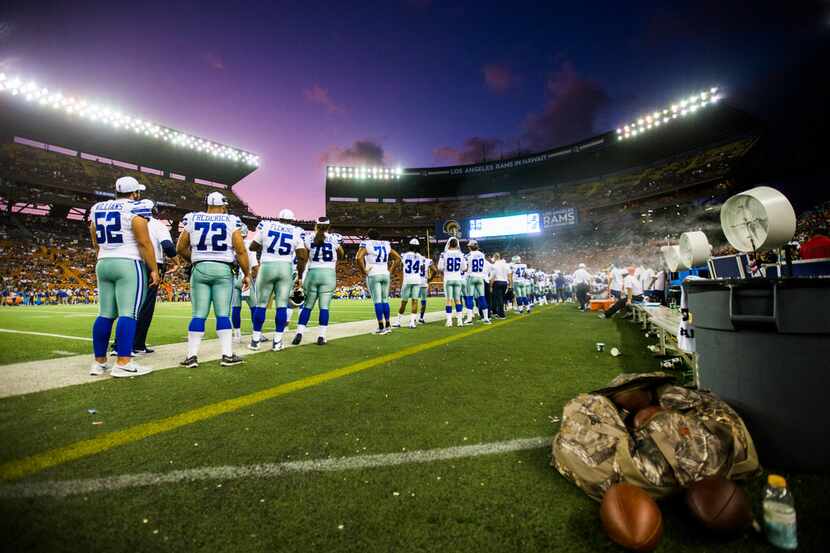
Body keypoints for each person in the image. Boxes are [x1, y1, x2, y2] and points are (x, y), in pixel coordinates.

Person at [88, 176, 159, 378]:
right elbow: (144, 243)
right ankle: (123, 362)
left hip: (103, 262)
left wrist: (106, 254)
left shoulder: (98, 208)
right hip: (128, 263)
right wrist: (153, 269)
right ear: (135, 193)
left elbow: (94, 237)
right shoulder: (136, 208)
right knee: (129, 313)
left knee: (105, 314)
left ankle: (99, 362)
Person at [177, 192, 250, 368]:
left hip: (200, 268)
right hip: (222, 269)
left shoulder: (193, 218)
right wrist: (246, 273)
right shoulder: (231, 220)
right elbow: (240, 251)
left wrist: (196, 259)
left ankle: (191, 357)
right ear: (223, 205)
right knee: (223, 313)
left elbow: (180, 247)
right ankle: (226, 355)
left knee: (198, 314)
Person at [119, 205, 176, 355]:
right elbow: (168, 246)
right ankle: (137, 344)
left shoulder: (129, 220)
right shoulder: (158, 225)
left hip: (130, 262)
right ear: (155, 212)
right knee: (146, 307)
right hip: (151, 264)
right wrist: (177, 261)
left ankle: (120, 344)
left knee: (128, 306)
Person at [249, 209, 308, 351]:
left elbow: (252, 247)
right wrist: (300, 276)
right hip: (285, 268)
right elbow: (302, 256)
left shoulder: (267, 226)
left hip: (267, 266)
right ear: (292, 220)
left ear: (278, 218)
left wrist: (267, 244)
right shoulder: (296, 231)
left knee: (261, 304)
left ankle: (255, 341)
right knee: (281, 305)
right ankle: (277, 341)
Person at [292, 217, 344, 346]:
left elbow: (303, 258)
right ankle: (321, 336)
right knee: (324, 307)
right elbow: (342, 253)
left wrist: (299, 277)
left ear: (316, 225)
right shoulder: (334, 238)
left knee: (307, 306)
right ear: (328, 226)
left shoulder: (308, 238)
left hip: (313, 272)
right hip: (328, 274)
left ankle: (299, 333)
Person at [356, 229, 401, 334]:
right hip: (385, 274)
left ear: (368, 236)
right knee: (385, 300)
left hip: (373, 274)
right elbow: (398, 258)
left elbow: (358, 258)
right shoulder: (385, 244)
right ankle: (388, 325)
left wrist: (364, 271)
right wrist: (390, 270)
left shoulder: (367, 243)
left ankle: (381, 327)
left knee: (377, 301)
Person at [230, 224, 259, 344]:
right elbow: (255, 267)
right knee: (254, 307)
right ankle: (256, 334)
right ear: (246, 234)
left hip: (233, 278)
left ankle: (237, 335)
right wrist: (254, 278)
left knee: (236, 307)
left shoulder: (230, 245)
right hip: (245, 277)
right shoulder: (248, 244)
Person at [438, 237, 467, 326]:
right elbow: (464, 268)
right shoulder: (460, 254)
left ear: (449, 244)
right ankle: (459, 321)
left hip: (448, 279)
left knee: (449, 300)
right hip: (458, 278)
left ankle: (449, 321)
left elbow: (440, 267)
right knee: (458, 300)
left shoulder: (444, 254)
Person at [395, 238, 424, 328]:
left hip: (407, 280)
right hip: (417, 279)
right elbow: (422, 268)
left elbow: (401, 265)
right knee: (415, 301)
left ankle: (398, 321)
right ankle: (412, 322)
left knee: (404, 302)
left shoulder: (404, 255)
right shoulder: (421, 257)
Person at [465, 240, 491, 324]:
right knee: (482, 297)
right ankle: (486, 318)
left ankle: (469, 319)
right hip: (480, 277)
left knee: (469, 297)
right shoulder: (482, 255)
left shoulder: (468, 255)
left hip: (471, 277)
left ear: (470, 247)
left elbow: (465, 268)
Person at [489, 253, 511, 319]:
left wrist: (490, 286)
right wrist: (510, 285)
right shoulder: (506, 264)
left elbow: (492, 276)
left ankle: (501, 314)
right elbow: (509, 275)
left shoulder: (495, 265)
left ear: (495, 257)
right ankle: (499, 313)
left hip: (497, 282)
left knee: (498, 299)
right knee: (501, 298)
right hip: (504, 282)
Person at [417, 252, 434, 324]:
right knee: (423, 300)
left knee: (414, 299)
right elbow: (435, 270)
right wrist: (430, 278)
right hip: (424, 282)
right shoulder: (427, 260)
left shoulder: (415, 259)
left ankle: (413, 317)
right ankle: (421, 317)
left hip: (416, 281)